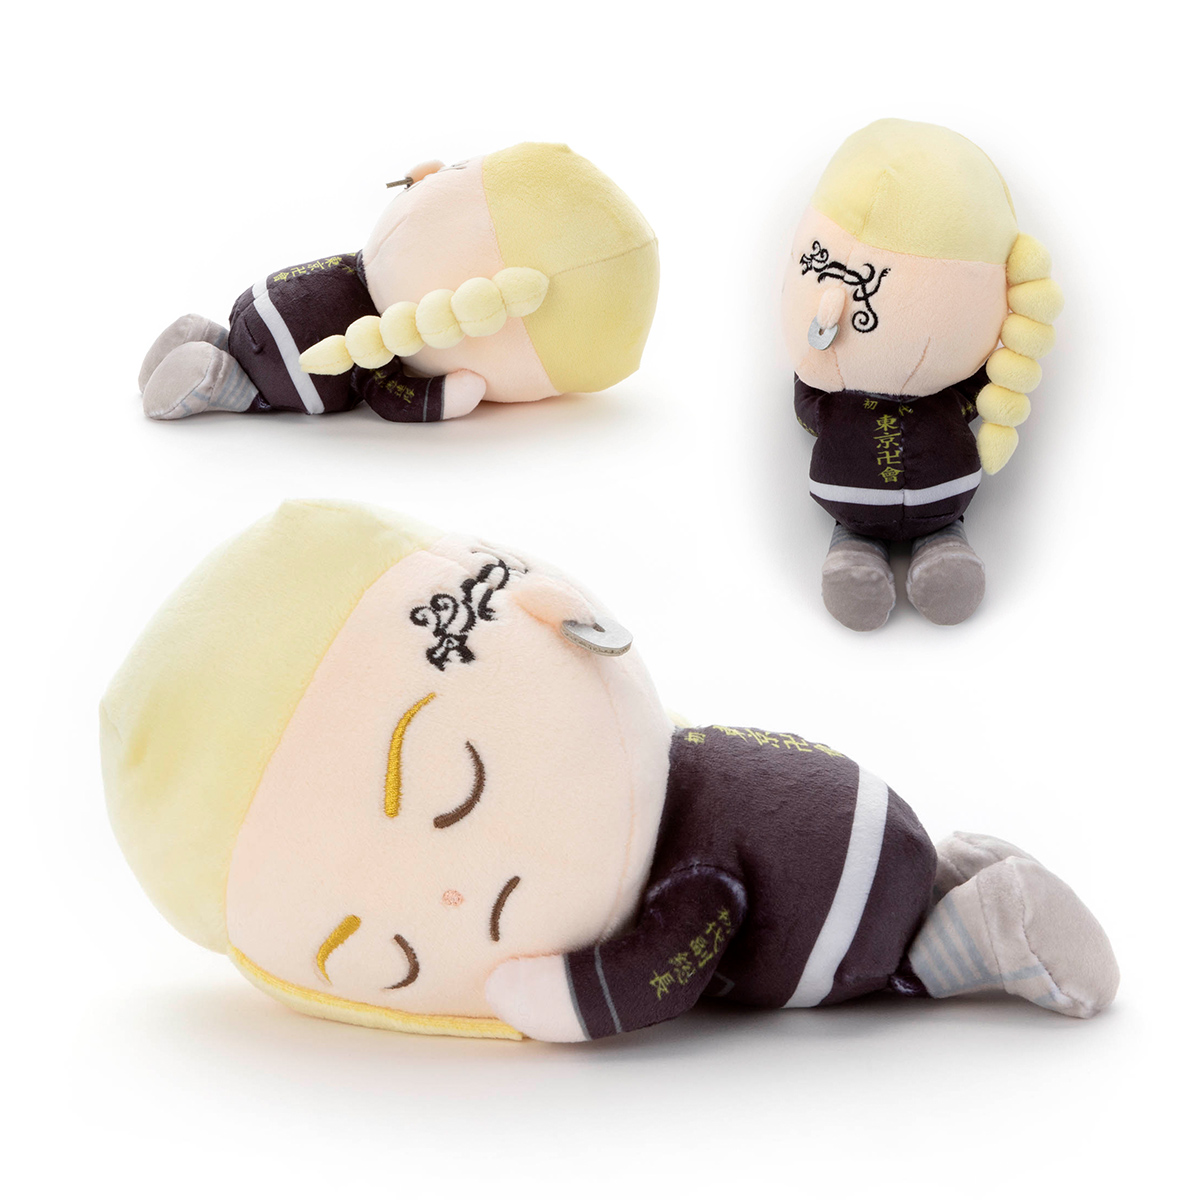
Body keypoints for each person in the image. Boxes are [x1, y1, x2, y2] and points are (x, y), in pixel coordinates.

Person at [782, 120, 1063, 629]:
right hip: (853, 513)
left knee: (944, 547)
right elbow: (809, 404)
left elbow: (808, 408)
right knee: (854, 544)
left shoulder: (946, 392)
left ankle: (943, 547)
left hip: (943, 509)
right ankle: (855, 551)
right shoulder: (840, 395)